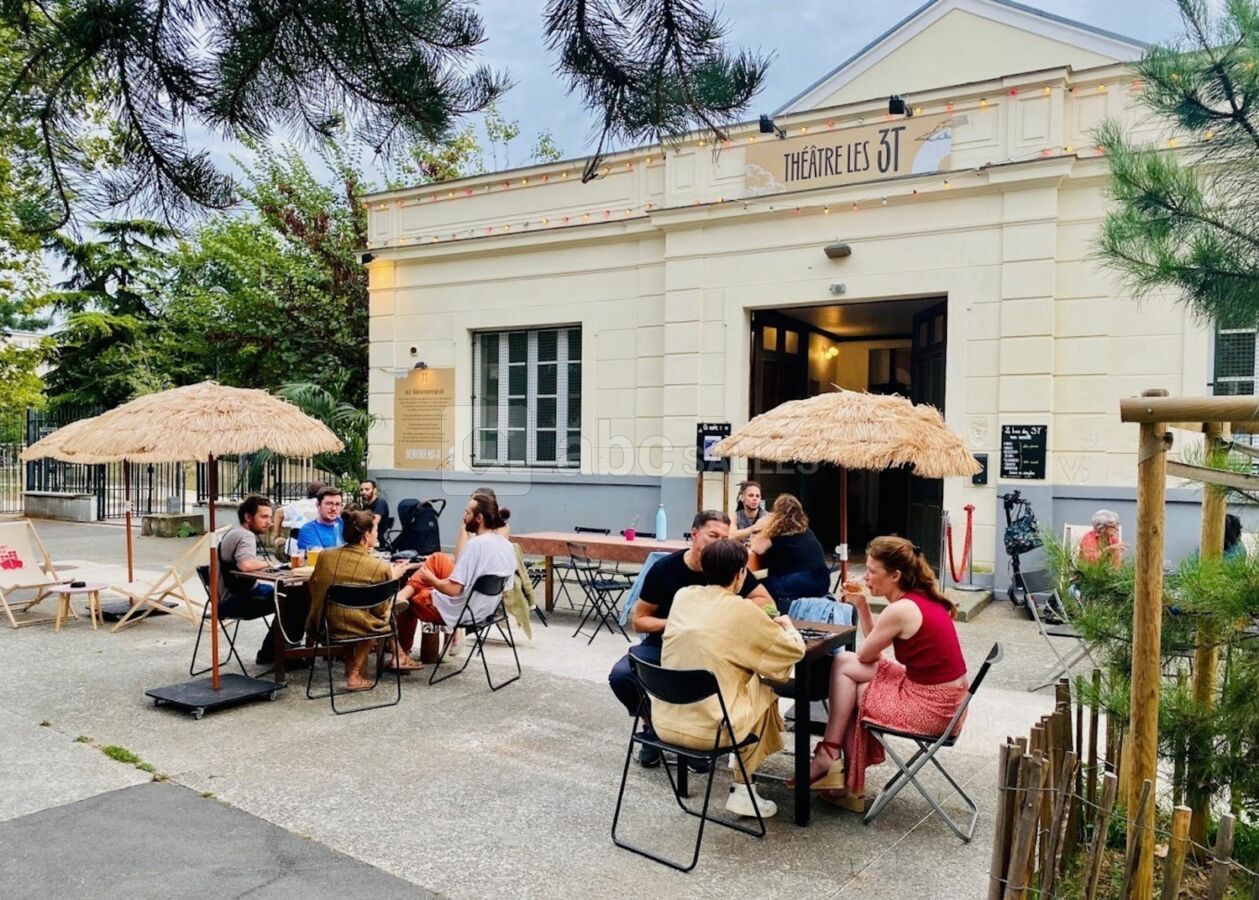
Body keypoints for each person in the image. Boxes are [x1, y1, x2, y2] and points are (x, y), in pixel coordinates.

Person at [805, 536, 969, 811]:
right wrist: (862, 605)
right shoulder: (920, 598)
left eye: (871, 571)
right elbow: (873, 650)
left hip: (934, 709)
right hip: (950, 703)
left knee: (851, 686)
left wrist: (861, 609)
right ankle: (837, 765)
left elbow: (867, 655)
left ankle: (839, 770)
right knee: (844, 662)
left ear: (895, 575)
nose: (865, 577)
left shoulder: (900, 610)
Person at [607, 510, 776, 768]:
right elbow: (639, 620)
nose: (719, 543)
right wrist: (681, 623)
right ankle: (654, 727)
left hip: (714, 649)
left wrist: (735, 613)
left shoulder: (730, 567)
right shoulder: (665, 569)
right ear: (694, 534)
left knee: (718, 679)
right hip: (665, 645)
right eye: (713, 536)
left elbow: (767, 603)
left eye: (725, 538)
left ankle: (700, 737)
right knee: (621, 675)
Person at [653, 539, 805, 818]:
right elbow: (792, 652)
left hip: (664, 722)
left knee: (749, 685)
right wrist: (788, 626)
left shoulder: (683, 596)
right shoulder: (742, 609)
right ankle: (744, 786)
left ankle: (745, 785)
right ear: (740, 574)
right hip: (710, 732)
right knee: (765, 691)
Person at [305, 510, 421, 689]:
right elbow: (380, 611)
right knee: (382, 618)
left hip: (322, 624)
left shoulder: (325, 556)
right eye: (375, 531)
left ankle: (398, 655)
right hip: (358, 627)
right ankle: (355, 673)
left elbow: (314, 587)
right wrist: (393, 577)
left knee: (373, 614)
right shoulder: (378, 567)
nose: (377, 534)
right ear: (366, 536)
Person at [394, 492, 517, 655]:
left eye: (467, 513)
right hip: (486, 610)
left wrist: (432, 581)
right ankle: (402, 595)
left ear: (479, 518)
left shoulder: (475, 545)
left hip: (463, 612)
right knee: (438, 558)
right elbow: (506, 588)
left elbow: (453, 589)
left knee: (411, 601)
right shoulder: (507, 546)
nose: (463, 517)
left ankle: (401, 654)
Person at [218, 494, 311, 666]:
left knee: (290, 595)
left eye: (270, 517)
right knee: (295, 600)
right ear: (248, 517)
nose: (269, 522)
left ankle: (273, 651)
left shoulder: (235, 532)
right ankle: (281, 654)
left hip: (231, 595)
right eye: (264, 517)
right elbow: (245, 564)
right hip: (234, 600)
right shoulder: (245, 535)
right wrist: (268, 563)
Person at [748, 493, 831, 612]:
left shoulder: (778, 530)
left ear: (777, 513)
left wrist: (763, 524)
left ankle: (767, 615)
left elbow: (757, 548)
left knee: (757, 587)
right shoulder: (805, 530)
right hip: (823, 581)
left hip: (800, 581)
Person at [454, 486, 510, 560]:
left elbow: (495, 555)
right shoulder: (470, 525)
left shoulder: (501, 526)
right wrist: (465, 525)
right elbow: (459, 558)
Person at [274, 481, 325, 557]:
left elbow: (278, 513)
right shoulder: (327, 506)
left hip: (295, 552)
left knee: (281, 544)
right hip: (319, 551)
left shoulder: (297, 504)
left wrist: (277, 536)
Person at [296, 487, 346, 551]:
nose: (333, 508)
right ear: (318, 505)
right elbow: (320, 555)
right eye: (329, 504)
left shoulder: (345, 524)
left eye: (337, 504)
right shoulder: (309, 529)